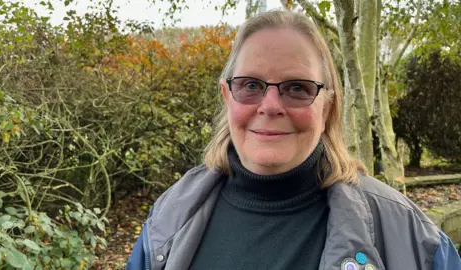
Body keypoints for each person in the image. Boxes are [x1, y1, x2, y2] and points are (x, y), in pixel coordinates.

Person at [126, 10, 461, 270]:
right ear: (228, 96)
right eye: (251, 85)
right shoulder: (168, 219)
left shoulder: (410, 236)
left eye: (297, 88)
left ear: (328, 105)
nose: (270, 106)